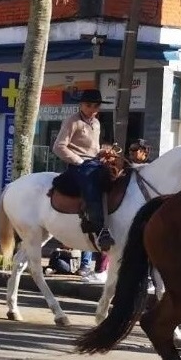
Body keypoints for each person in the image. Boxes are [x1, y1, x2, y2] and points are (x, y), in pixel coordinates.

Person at [52, 88, 114, 251]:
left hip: (95, 162)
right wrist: (79, 161)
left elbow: (93, 149)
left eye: (96, 106)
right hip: (79, 166)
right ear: (81, 104)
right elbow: (58, 147)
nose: (92, 109)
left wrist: (103, 152)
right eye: (89, 105)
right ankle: (100, 230)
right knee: (92, 188)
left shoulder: (96, 123)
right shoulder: (72, 121)